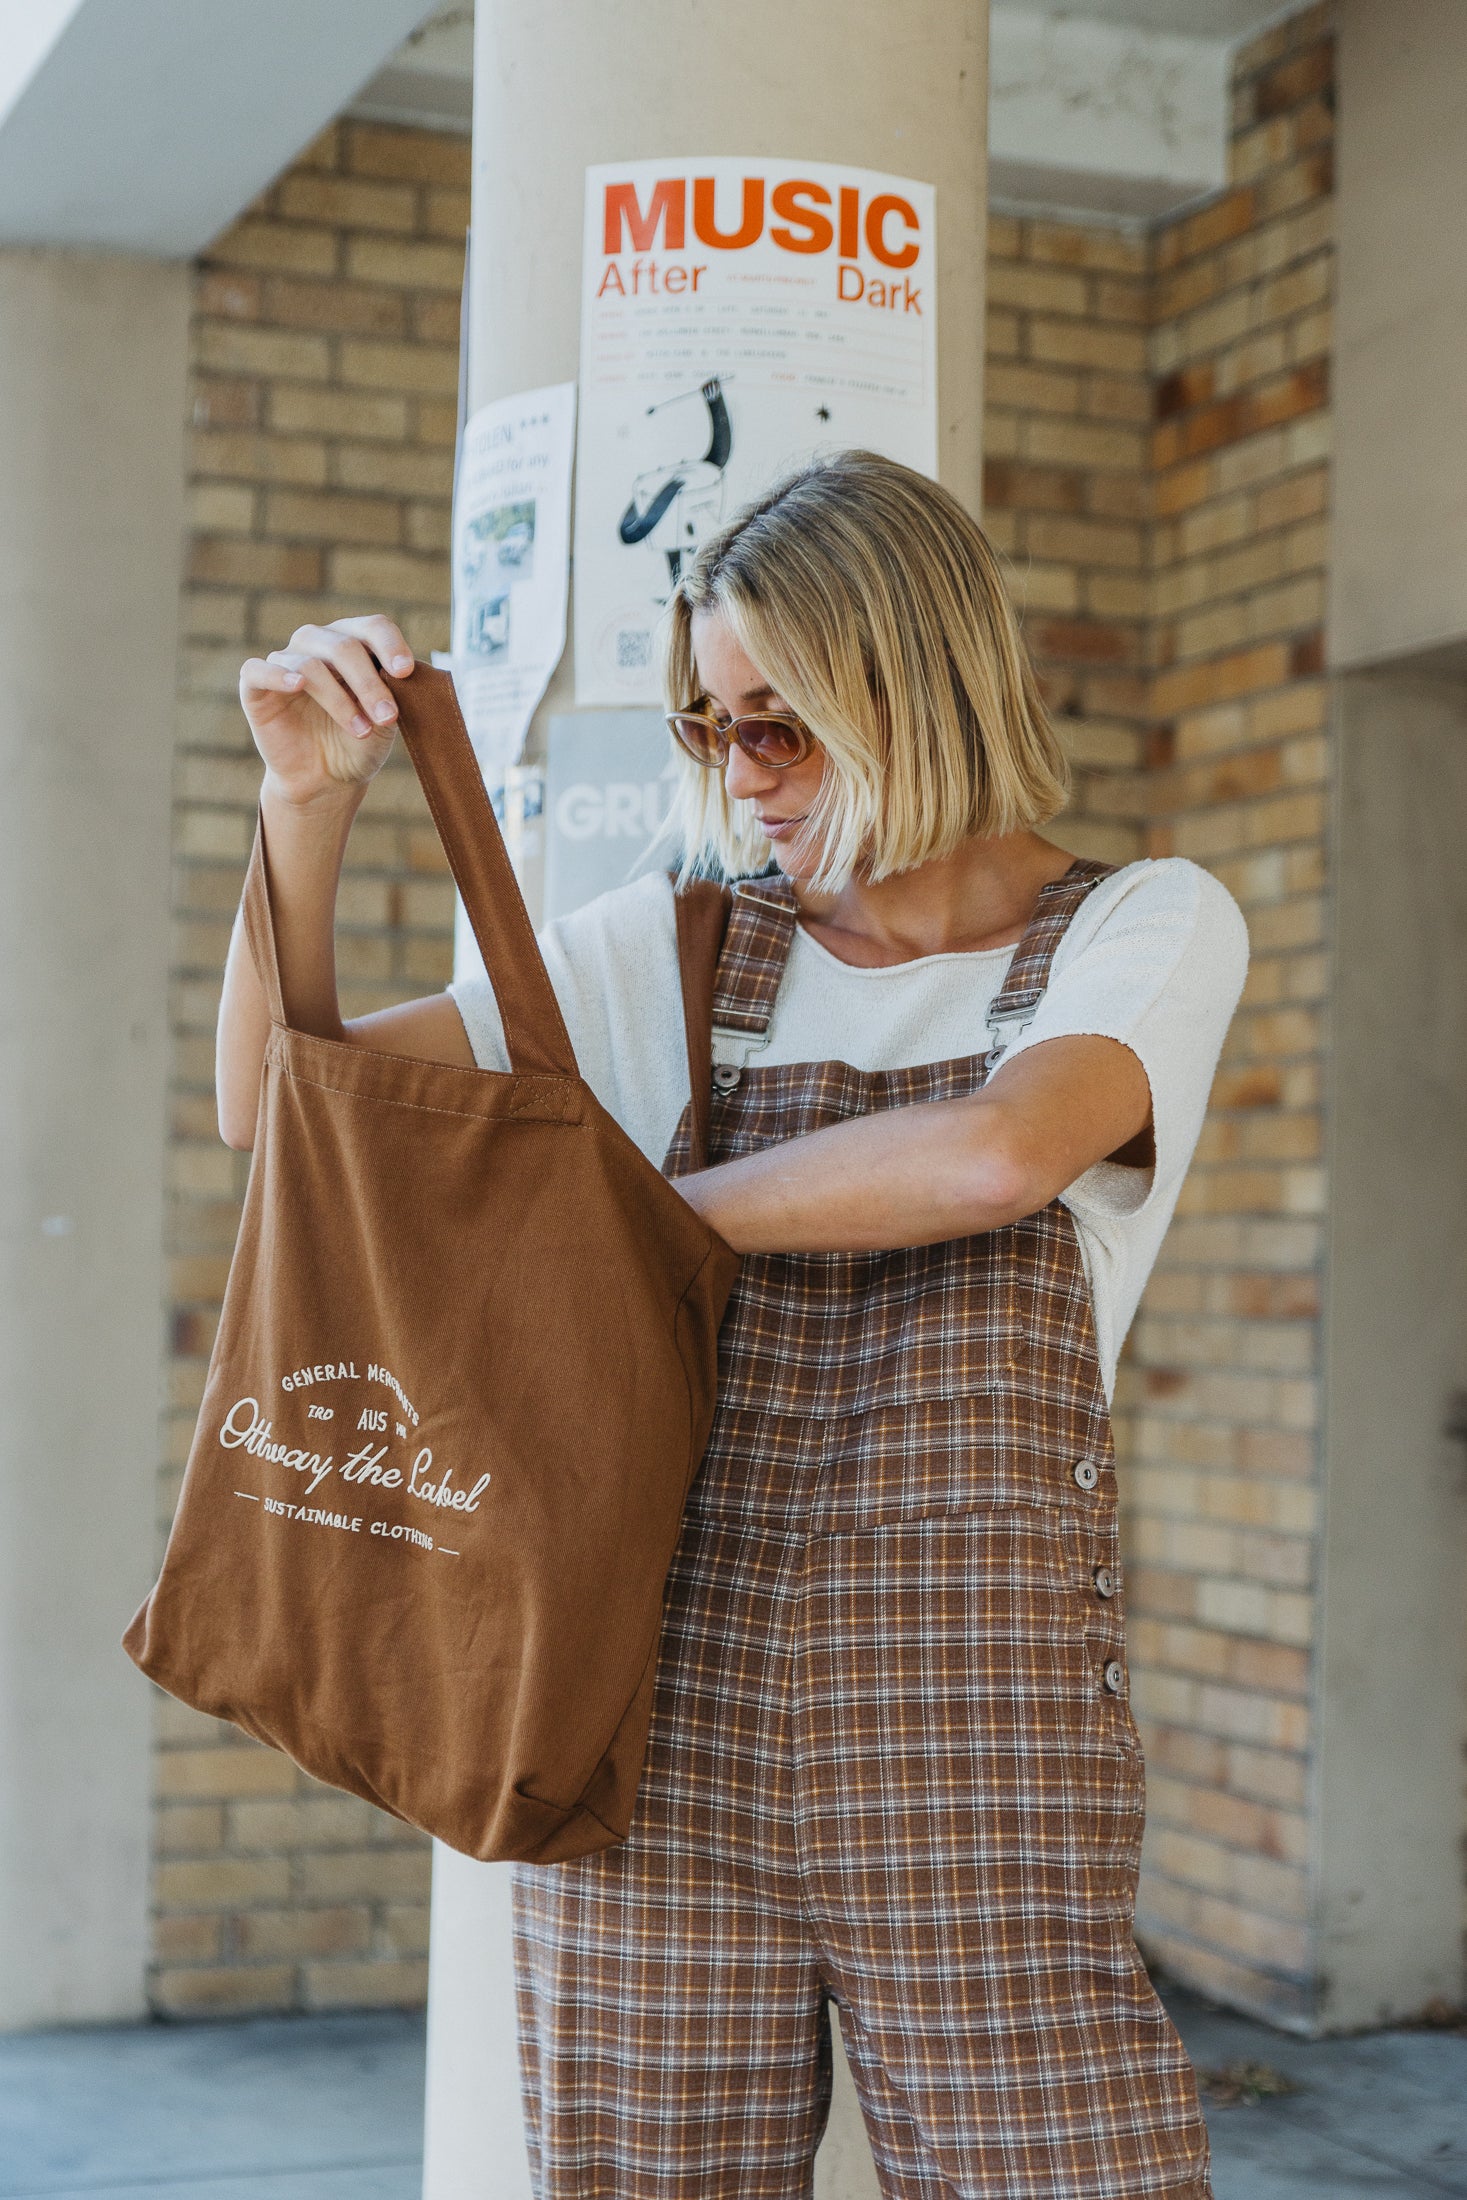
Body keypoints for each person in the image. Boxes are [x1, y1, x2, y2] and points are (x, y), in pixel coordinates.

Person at [219, 450, 1246, 2197]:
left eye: (779, 726)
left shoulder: (1138, 929)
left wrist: (600, 1227)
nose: (741, 777)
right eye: (713, 727)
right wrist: (303, 809)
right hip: (649, 1698)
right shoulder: (678, 954)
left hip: (972, 1728)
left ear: (915, 690)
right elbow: (274, 1113)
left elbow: (995, 1150)